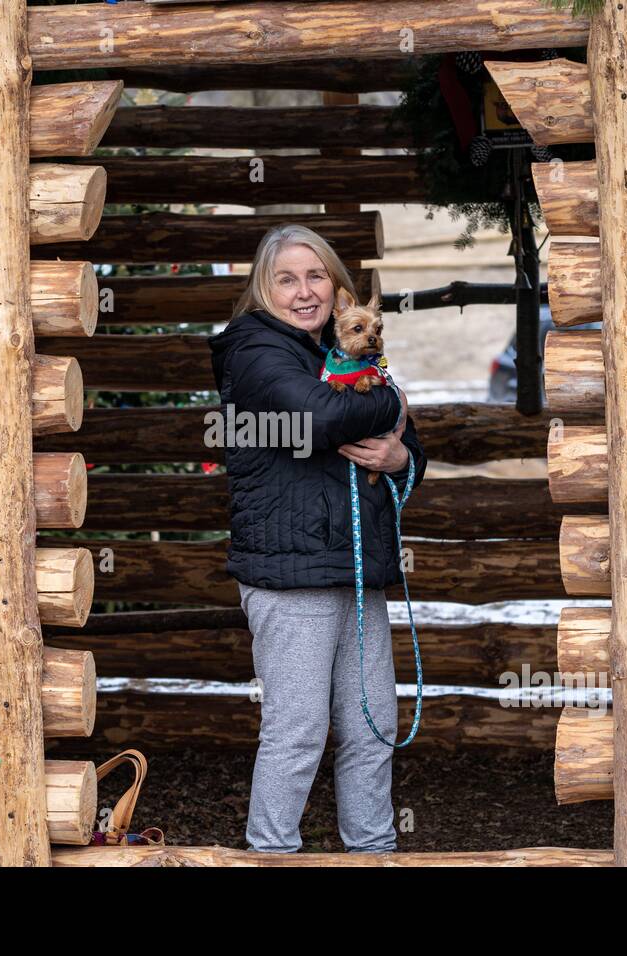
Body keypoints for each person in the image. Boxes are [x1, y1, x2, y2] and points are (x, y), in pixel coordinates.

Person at [207, 223, 427, 853]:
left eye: (315, 277)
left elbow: (410, 451)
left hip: (356, 568)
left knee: (372, 726)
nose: (304, 292)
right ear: (263, 288)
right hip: (290, 572)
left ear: (335, 285)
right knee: (298, 730)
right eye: (287, 279)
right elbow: (322, 417)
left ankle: (373, 852)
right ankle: (272, 854)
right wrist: (397, 403)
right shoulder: (253, 350)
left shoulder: (347, 352)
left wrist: (398, 458)